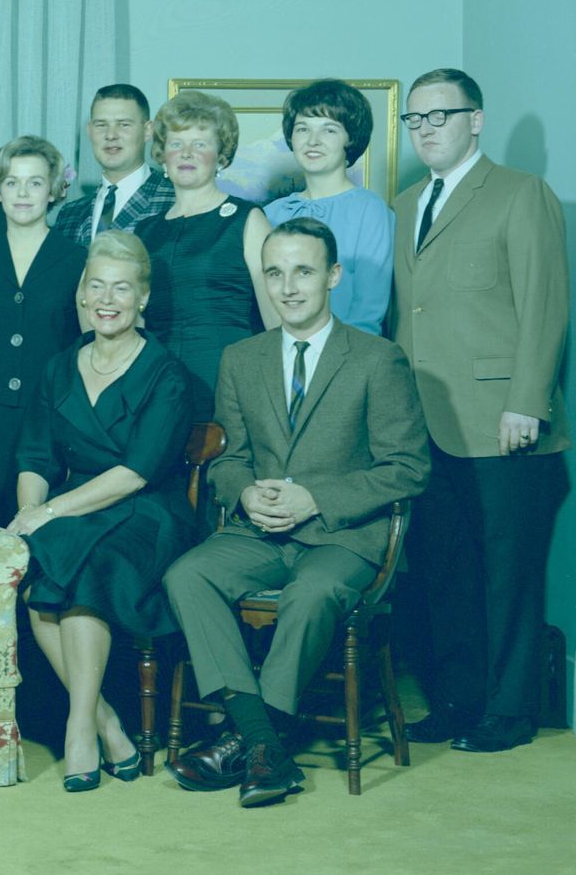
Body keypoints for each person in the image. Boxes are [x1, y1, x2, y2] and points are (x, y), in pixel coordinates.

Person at [161, 219, 431, 805]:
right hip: (258, 534)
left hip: (344, 537)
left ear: (333, 276)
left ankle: (248, 743)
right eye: (275, 273)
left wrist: (318, 498)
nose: (288, 287)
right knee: (187, 574)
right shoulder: (242, 357)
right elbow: (229, 459)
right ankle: (264, 746)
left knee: (312, 593)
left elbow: (409, 468)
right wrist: (243, 492)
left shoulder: (377, 359)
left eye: (303, 271)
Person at [388, 69, 570, 755]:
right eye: (415, 119)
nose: (426, 129)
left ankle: (510, 711)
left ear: (476, 120)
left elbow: (545, 305)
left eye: (440, 115)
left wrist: (526, 401)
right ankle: (458, 702)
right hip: (425, 421)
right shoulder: (406, 204)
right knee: (445, 570)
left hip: (502, 421)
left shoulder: (522, 194)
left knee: (507, 574)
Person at [5, 231, 199, 790]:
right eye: (96, 286)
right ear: (81, 295)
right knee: (36, 566)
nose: (106, 299)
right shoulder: (59, 367)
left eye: (121, 288)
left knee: (84, 567)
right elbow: (35, 456)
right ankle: (106, 723)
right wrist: (28, 517)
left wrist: (49, 513)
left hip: (145, 512)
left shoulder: (166, 372)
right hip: (76, 510)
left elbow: (136, 473)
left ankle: (77, 732)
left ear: (143, 298)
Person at [0, 135, 85, 525]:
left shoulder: (78, 260)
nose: (22, 193)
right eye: (12, 182)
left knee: (40, 530)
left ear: (53, 191)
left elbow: (91, 347)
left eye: (35, 182)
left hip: (51, 420)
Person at [132, 90, 277, 408]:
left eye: (200, 144)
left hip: (229, 383)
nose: (186, 154)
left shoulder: (248, 219)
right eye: (176, 144)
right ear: (162, 154)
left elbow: (276, 319)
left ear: (221, 156)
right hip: (157, 387)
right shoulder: (145, 231)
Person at [262, 79, 394, 335]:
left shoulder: (370, 210)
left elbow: (368, 309)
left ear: (351, 139)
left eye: (329, 130)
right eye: (303, 129)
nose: (313, 141)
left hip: (349, 352)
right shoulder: (271, 214)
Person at [55, 84, 171, 246]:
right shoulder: (69, 215)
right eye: (101, 125)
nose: (110, 135)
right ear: (89, 131)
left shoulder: (174, 202)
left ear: (147, 131)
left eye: (124, 124)